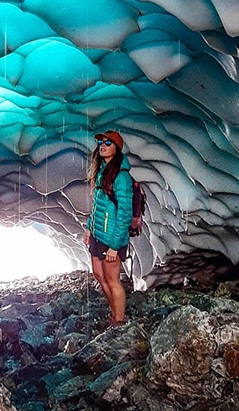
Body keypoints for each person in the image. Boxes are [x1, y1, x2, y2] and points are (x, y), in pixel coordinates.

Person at [84, 129, 133, 327]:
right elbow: (98, 205)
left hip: (112, 237)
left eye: (108, 143)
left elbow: (124, 215)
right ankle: (114, 312)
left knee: (112, 279)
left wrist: (115, 246)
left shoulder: (122, 177)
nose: (103, 145)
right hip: (98, 234)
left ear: (117, 149)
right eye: (101, 142)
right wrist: (89, 228)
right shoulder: (103, 172)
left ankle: (119, 322)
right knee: (98, 274)